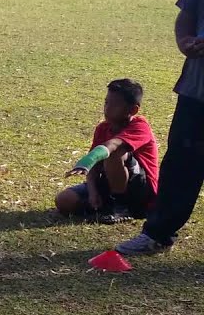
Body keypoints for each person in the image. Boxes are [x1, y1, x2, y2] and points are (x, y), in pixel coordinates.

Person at [118, 0, 204, 256]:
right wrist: (184, 41)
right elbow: (188, 13)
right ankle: (158, 233)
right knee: (181, 165)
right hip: (197, 89)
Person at [55, 79, 159, 225]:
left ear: (133, 110)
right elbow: (95, 167)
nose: (107, 108)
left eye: (115, 104)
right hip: (110, 184)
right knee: (64, 200)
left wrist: (87, 161)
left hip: (140, 190)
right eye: (106, 102)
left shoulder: (140, 126)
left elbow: (112, 145)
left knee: (114, 153)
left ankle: (121, 207)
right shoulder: (103, 128)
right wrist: (92, 191)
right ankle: (104, 208)